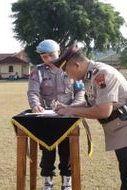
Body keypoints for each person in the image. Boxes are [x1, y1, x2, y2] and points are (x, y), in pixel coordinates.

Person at [52, 44, 127, 190]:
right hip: (124, 130)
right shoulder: (90, 75)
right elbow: (92, 102)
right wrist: (69, 108)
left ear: (76, 65)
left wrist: (70, 111)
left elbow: (103, 111)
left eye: (67, 71)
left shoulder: (102, 75)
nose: (68, 76)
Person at [27, 39, 85, 190]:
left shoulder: (69, 68)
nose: (49, 59)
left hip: (68, 117)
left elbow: (80, 90)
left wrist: (73, 108)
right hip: (47, 118)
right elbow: (33, 92)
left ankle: (67, 183)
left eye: (51, 55)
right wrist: (35, 105)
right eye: (44, 56)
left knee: (67, 153)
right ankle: (48, 183)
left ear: (59, 52)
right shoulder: (38, 71)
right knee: (47, 152)